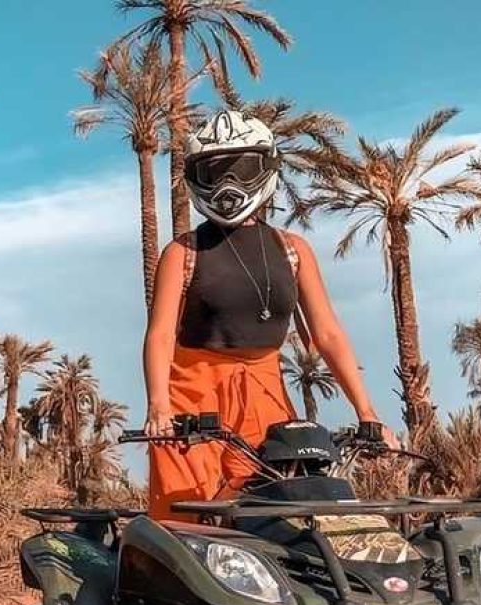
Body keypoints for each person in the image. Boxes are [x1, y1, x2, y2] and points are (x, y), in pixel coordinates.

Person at [143, 109, 394, 521]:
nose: (228, 183)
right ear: (195, 177)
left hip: (264, 392)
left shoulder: (293, 251)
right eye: (214, 171)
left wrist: (367, 413)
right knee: (183, 514)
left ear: (267, 167)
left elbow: (327, 334)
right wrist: (158, 407)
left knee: (274, 509)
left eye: (242, 168)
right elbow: (161, 335)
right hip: (190, 395)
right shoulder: (182, 253)